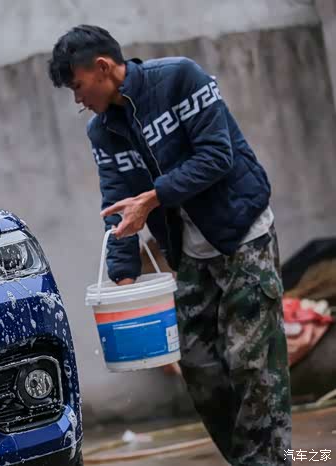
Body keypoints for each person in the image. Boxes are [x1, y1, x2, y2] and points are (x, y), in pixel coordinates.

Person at [48, 25, 291, 465]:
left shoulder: (181, 78)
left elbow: (216, 156)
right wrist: (123, 280)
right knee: (199, 370)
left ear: (102, 68)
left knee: (252, 366)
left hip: (242, 234)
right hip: (191, 254)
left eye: (78, 86)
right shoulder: (102, 132)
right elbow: (117, 202)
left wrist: (154, 197)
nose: (78, 100)